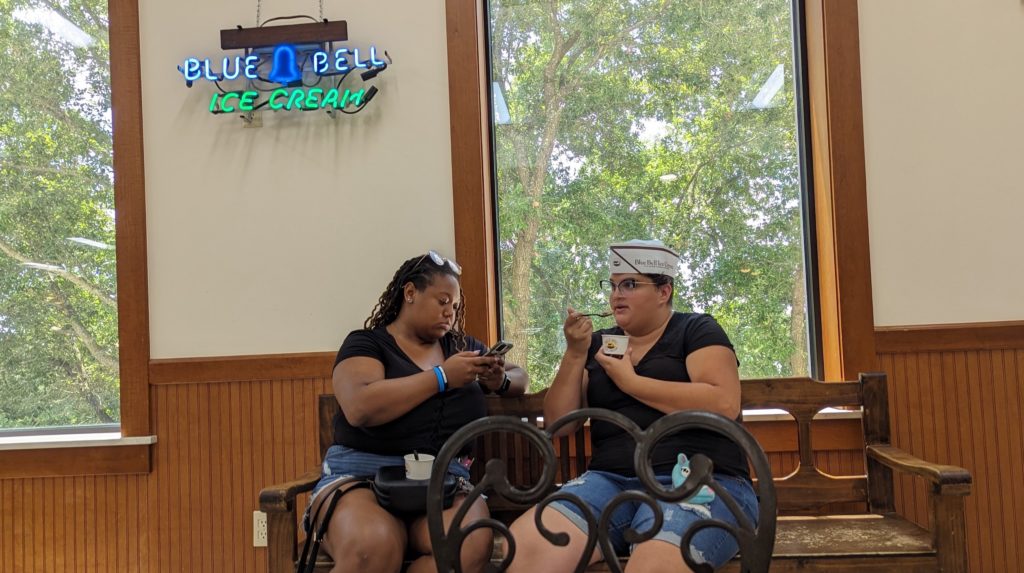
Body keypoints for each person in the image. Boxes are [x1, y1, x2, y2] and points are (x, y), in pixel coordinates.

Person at [506, 240, 757, 573]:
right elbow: (560, 423)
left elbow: (723, 402)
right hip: (609, 481)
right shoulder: (600, 344)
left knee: (654, 566)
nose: (616, 295)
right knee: (527, 549)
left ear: (664, 291)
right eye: (612, 286)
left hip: (699, 480)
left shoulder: (696, 329)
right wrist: (575, 353)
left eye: (629, 284)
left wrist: (631, 382)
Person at [307, 250, 527, 573]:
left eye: (454, 307)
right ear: (410, 293)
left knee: (466, 543)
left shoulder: (461, 348)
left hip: (444, 483)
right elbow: (359, 407)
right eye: (442, 302)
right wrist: (441, 377)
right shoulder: (366, 344)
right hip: (362, 479)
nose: (450, 313)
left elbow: (520, 376)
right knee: (373, 546)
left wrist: (501, 379)